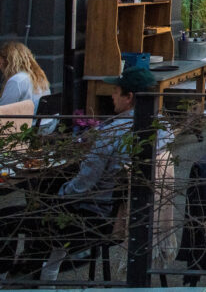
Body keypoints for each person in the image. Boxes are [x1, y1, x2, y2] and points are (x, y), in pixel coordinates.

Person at [38, 68, 168, 279]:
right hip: (138, 212)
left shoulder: (112, 132)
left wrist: (61, 194)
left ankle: (43, 274)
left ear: (129, 97)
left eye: (116, 91)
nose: (111, 95)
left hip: (101, 216)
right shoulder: (162, 127)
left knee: (45, 203)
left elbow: (83, 184)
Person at [0, 41, 52, 128]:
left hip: (30, 127)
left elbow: (3, 110)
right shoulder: (38, 75)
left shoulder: (17, 80)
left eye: (0, 62)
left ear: (8, 61)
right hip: (48, 123)